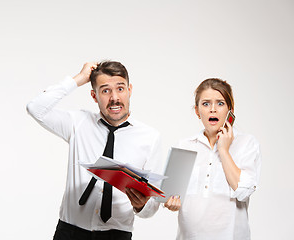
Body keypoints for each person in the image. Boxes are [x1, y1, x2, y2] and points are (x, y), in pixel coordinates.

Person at [26, 61, 165, 240]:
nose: (114, 98)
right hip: (69, 233)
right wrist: (78, 79)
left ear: (130, 90)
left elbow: (151, 208)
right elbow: (35, 108)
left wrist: (141, 206)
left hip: (116, 236)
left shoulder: (150, 137)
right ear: (94, 95)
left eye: (120, 89)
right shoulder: (78, 123)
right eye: (105, 90)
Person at [164, 78, 261, 240]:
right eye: (206, 104)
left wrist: (223, 149)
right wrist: (171, 202)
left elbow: (243, 191)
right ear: (197, 111)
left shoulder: (247, 143)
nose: (213, 110)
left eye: (220, 103)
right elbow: (170, 195)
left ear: (230, 109)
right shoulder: (185, 145)